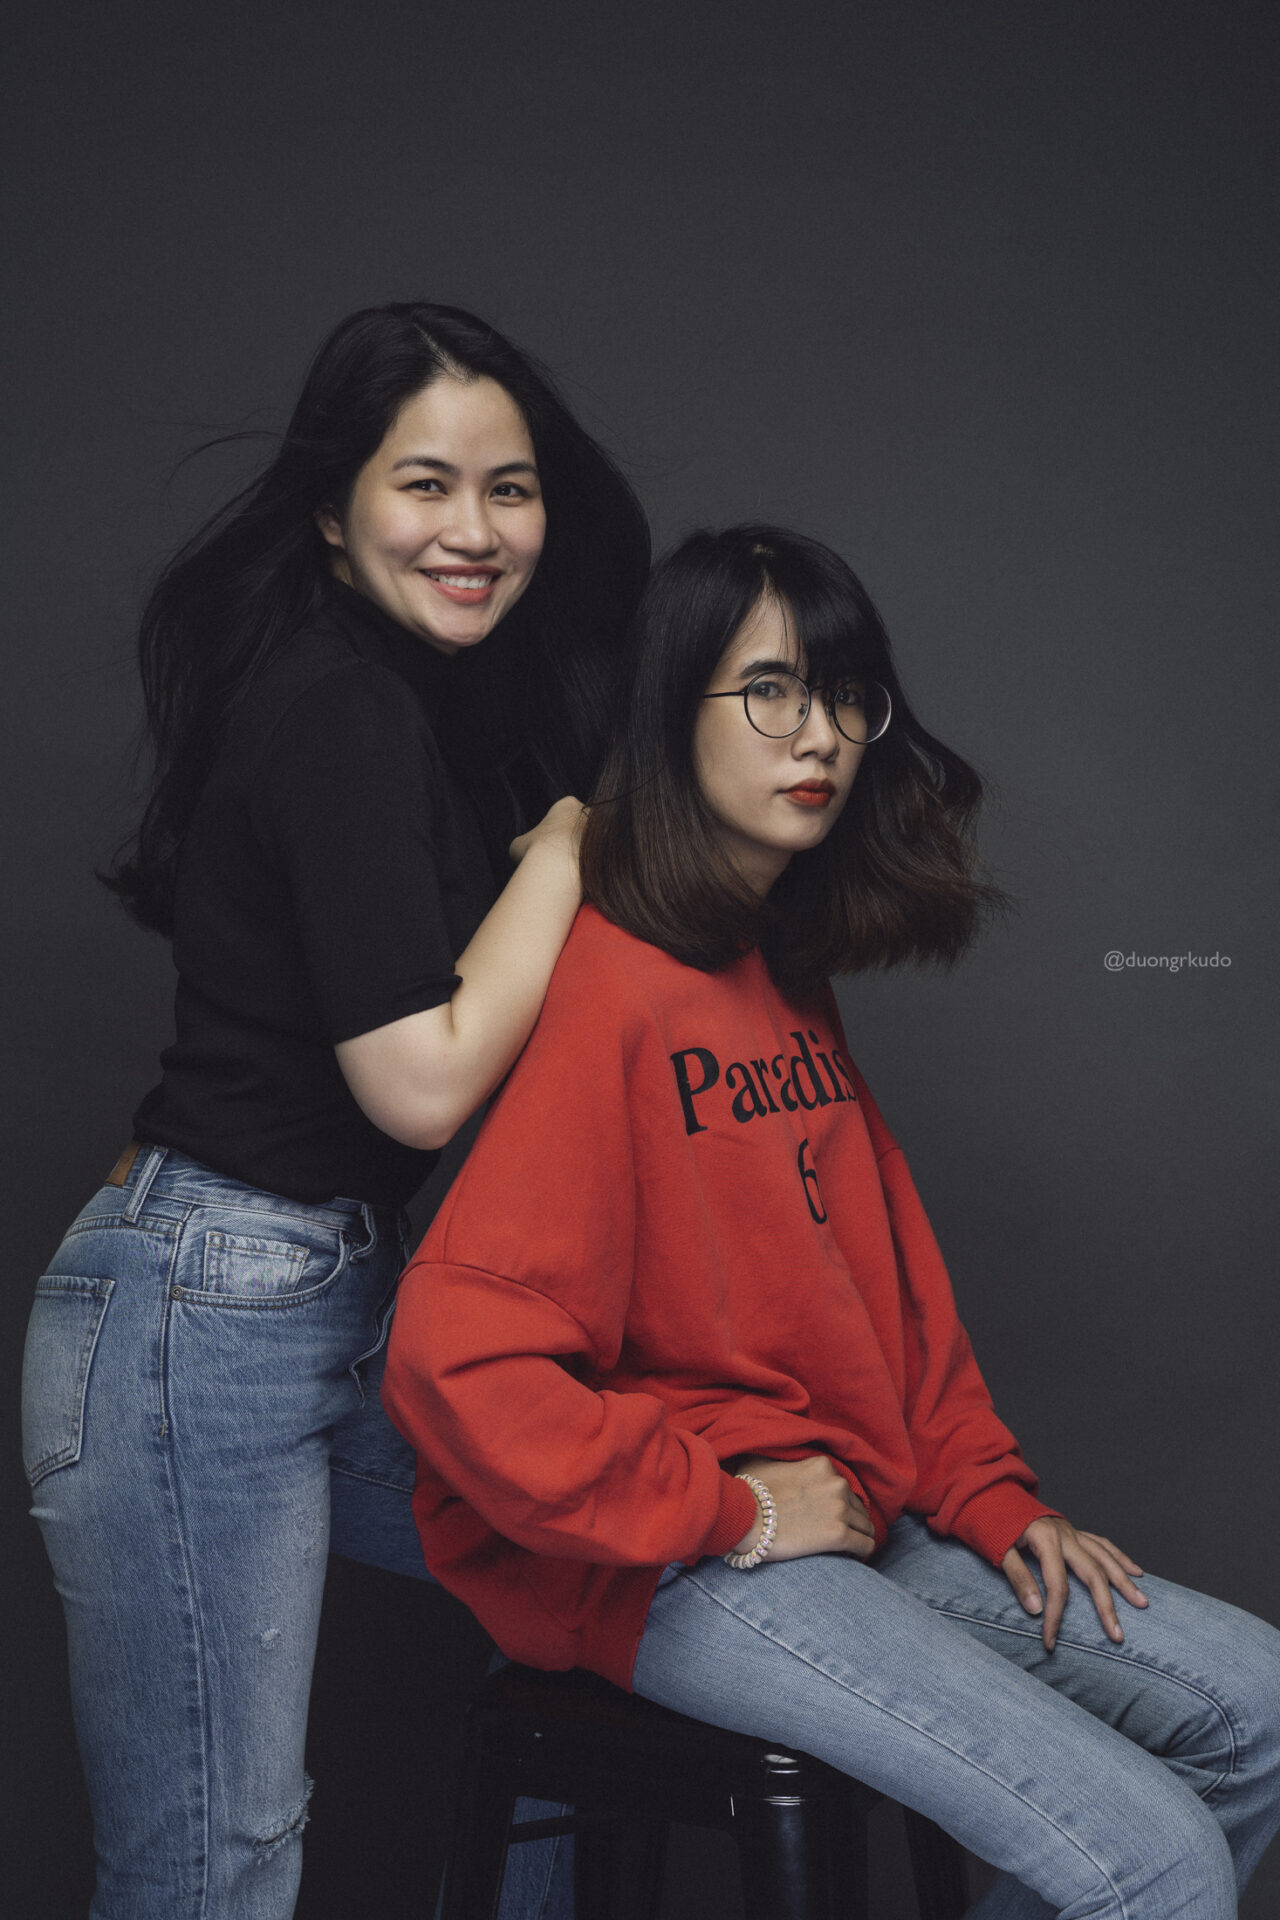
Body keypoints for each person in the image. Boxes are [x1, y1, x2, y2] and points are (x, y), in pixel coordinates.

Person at [383, 525, 1280, 1918]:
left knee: (1256, 1707)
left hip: (852, 1511)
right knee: (1152, 1859)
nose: (821, 737)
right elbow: (454, 1359)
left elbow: (880, 1288)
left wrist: (989, 1495)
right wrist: (730, 1508)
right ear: (671, 712)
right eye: (771, 691)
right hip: (679, 1560)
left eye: (847, 697)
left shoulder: (777, 968)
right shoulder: (607, 982)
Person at [20, 301, 649, 1920]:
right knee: (217, 1861)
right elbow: (419, 1080)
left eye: (509, 489)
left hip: (337, 1292)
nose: (473, 529)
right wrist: (568, 850)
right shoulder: (337, 703)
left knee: (589, 1593)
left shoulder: (410, 699)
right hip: (208, 1310)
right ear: (330, 508)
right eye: (424, 483)